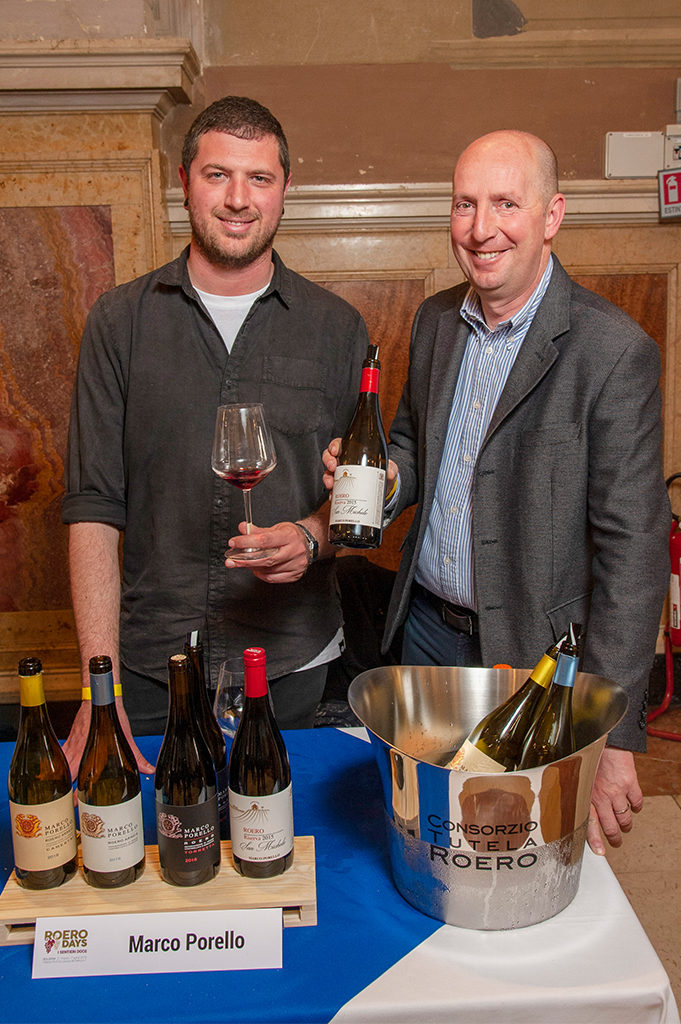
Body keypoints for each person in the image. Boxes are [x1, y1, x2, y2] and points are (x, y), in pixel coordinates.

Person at [323, 130, 670, 855]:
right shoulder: (435, 320)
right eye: (465, 205)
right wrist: (386, 481)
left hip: (533, 658)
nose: (481, 229)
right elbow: (415, 443)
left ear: (552, 216)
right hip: (424, 632)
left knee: (519, 849)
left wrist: (611, 732)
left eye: (506, 204)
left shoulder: (613, 353)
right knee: (424, 836)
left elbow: (634, 556)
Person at [62, 95, 369, 774]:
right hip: (150, 666)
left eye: (259, 177)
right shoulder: (119, 322)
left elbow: (361, 498)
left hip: (290, 660)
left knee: (280, 833)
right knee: (155, 834)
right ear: (184, 182)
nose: (238, 198)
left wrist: (313, 536)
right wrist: (95, 687)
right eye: (217, 175)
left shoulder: (337, 328)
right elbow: (93, 509)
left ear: (284, 188)